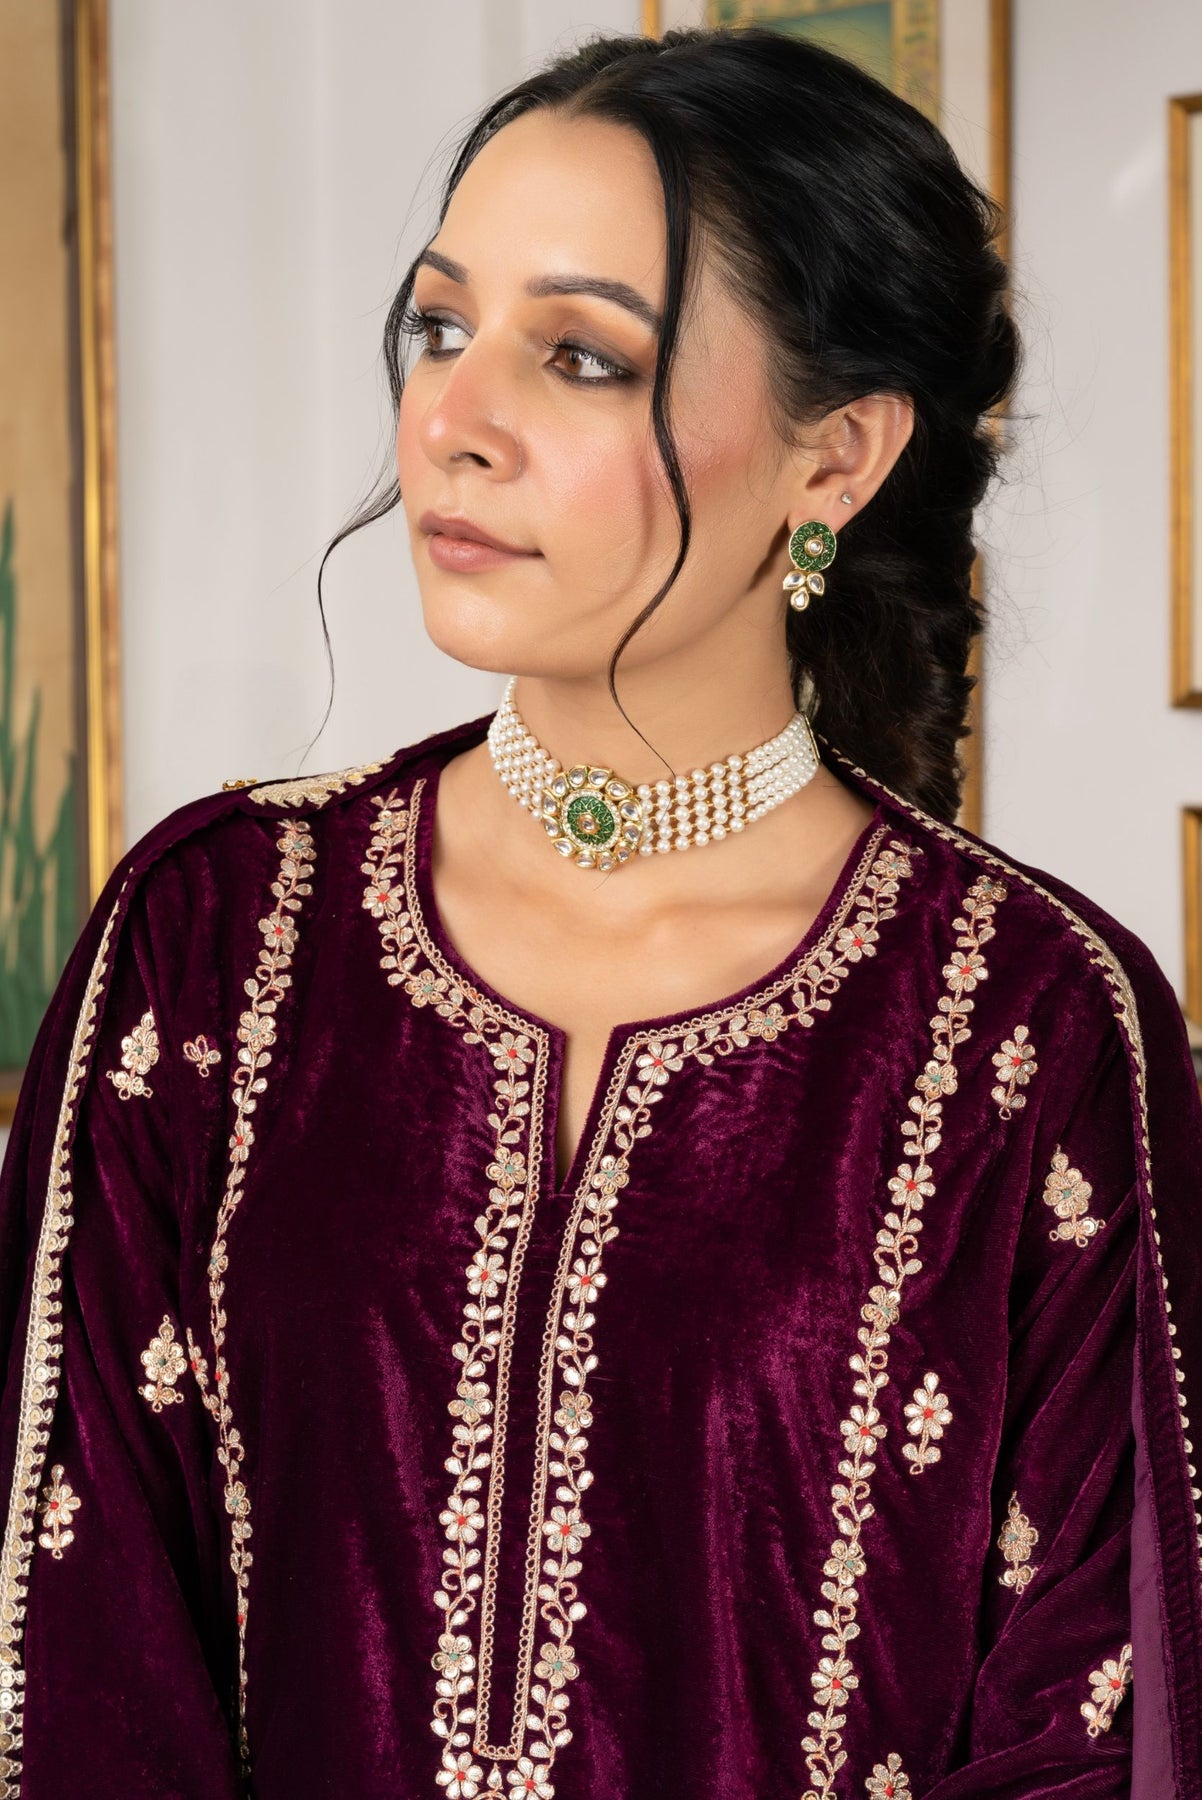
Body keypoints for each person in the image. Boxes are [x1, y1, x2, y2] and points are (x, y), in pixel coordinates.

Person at [0, 24, 1199, 1799]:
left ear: (834, 460)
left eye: (578, 356)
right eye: (437, 327)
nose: (451, 421)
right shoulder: (211, 938)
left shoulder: (1027, 1015)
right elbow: (75, 1647)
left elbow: (1089, 1719)